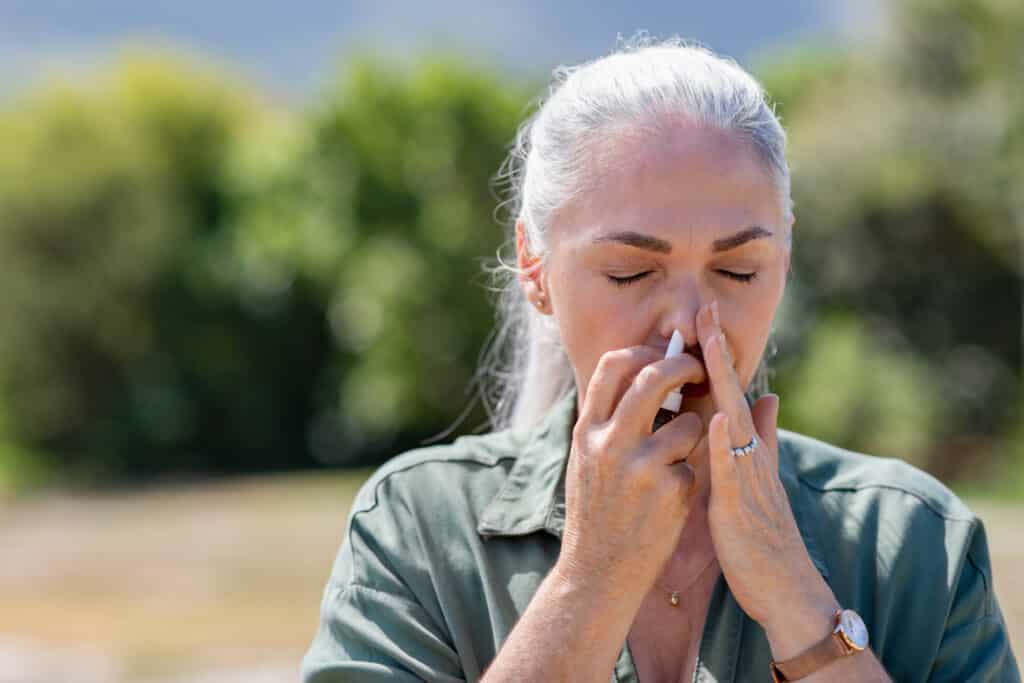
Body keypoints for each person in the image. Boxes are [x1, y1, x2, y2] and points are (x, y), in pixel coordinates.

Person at [301, 38, 1020, 682]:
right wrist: (591, 579)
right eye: (629, 272)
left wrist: (797, 600)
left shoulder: (920, 541)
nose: (686, 322)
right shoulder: (416, 529)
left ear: (786, 259)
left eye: (737, 270)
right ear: (534, 265)